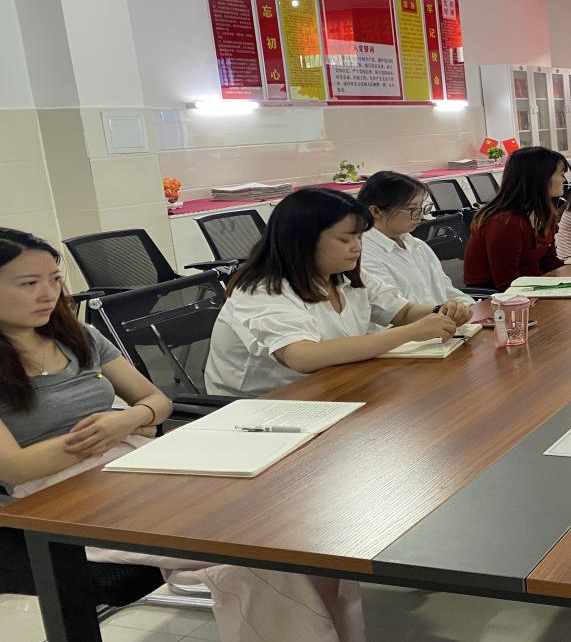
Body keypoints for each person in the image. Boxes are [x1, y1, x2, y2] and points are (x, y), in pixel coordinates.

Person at [0, 229, 366, 642]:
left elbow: (157, 400)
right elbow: (13, 468)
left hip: (137, 460)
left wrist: (126, 421)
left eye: (54, 279)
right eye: (28, 284)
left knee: (294, 524)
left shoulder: (78, 336)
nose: (48, 294)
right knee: (256, 554)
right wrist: (111, 432)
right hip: (59, 494)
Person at [206, 188, 458, 398]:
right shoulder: (262, 289)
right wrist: (409, 333)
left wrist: (442, 312)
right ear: (304, 241)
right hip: (263, 406)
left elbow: (402, 311)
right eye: (345, 240)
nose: (357, 247)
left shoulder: (342, 274)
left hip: (332, 385)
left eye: (359, 238)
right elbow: (302, 356)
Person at [359, 171, 474, 316]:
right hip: (414, 328)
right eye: (412, 209)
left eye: (421, 208)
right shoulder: (363, 255)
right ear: (376, 211)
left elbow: (447, 290)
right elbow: (394, 313)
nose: (421, 215)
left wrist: (468, 307)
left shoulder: (417, 245)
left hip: (443, 323)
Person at [464, 146, 567, 291]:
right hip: (498, 296)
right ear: (540, 178)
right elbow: (506, 283)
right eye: (561, 174)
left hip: (532, 286)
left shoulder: (543, 213)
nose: (564, 180)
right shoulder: (505, 222)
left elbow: (549, 262)